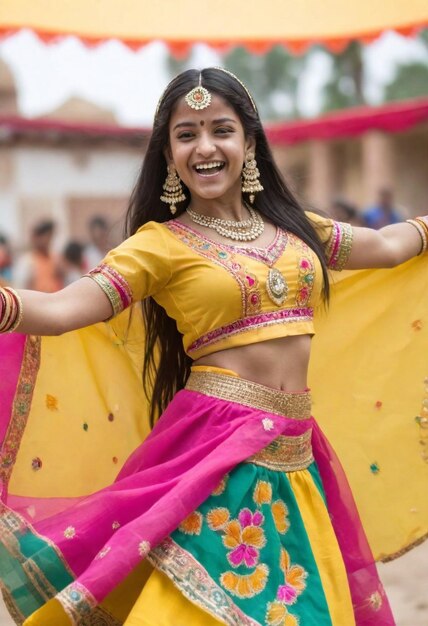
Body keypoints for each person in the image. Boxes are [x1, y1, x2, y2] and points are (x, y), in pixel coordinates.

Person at [0, 67, 427, 626]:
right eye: (186, 134)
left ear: (249, 143)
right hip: (216, 449)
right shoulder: (160, 245)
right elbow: (62, 309)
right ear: (170, 154)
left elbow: (390, 246)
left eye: (220, 129)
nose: (205, 147)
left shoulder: (296, 228)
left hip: (300, 452)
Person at [13, 219, 63, 292]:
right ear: (35, 238)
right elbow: (20, 288)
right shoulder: (27, 261)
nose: (48, 240)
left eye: (50, 236)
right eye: (46, 237)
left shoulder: (55, 258)